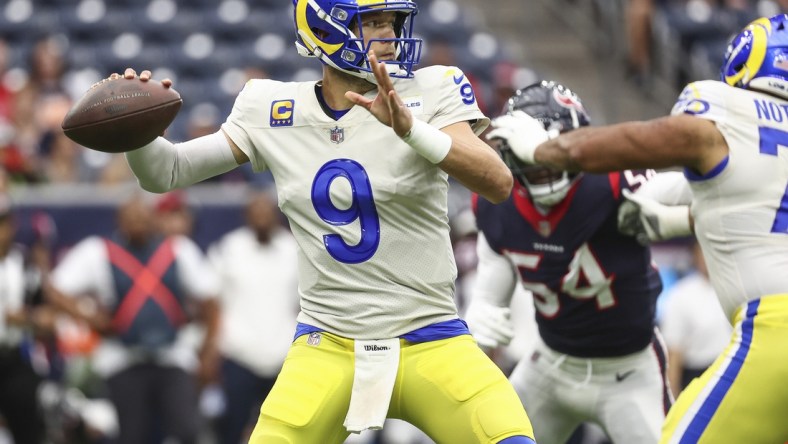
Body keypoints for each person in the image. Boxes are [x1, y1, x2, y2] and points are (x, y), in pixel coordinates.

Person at [104, 0, 537, 442]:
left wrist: (410, 129)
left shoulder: (432, 89)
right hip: (328, 343)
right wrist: (138, 134)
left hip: (432, 335)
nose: (389, 36)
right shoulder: (269, 106)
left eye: (392, 22)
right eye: (372, 23)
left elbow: (497, 181)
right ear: (325, 29)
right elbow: (167, 172)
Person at [487, 13, 788, 443]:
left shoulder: (726, 110)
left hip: (775, 329)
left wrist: (544, 149)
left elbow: (637, 143)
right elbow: (747, 206)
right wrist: (676, 216)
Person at [468, 80, 672, 444]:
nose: (540, 165)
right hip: (550, 365)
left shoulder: (611, 181)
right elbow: (488, 299)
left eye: (551, 149)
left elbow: (689, 192)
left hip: (630, 370)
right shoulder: (498, 204)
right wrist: (480, 316)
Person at [46, 194, 221, 444]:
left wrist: (207, 353)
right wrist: (89, 317)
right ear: (119, 221)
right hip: (123, 357)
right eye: (131, 217)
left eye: (142, 216)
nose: (137, 222)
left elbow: (211, 301)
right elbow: (54, 288)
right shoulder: (98, 252)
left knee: (187, 430)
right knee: (133, 435)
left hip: (173, 354)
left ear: (153, 219)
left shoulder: (177, 249)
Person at [206, 189, 300, 444]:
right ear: (246, 216)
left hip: (284, 355)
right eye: (255, 212)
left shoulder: (294, 250)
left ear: (276, 215)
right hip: (239, 353)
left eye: (266, 212)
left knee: (285, 429)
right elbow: (213, 302)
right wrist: (211, 350)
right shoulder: (230, 248)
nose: (261, 218)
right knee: (234, 427)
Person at [0, 194, 50, 444]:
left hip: (14, 356)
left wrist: (29, 317)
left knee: (29, 430)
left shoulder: (24, 263)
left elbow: (48, 316)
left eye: (2, 222)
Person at [659, 240, 731, 398]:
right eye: (703, 251)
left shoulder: (736, 289)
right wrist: (674, 403)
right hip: (698, 378)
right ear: (695, 255)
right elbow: (674, 355)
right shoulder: (681, 295)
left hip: (735, 372)